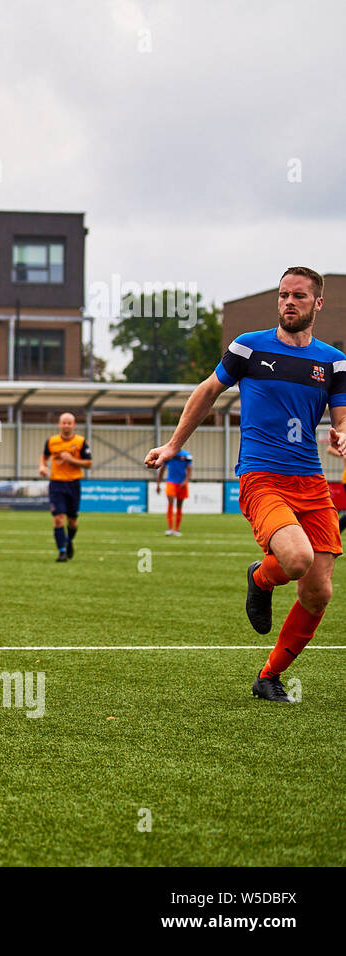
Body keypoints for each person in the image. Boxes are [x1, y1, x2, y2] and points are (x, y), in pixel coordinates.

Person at [145, 267, 346, 703]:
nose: (288, 302)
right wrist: (174, 445)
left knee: (319, 590)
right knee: (295, 559)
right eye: (283, 295)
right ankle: (260, 576)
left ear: (318, 304)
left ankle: (269, 676)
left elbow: (341, 413)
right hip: (262, 476)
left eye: (298, 296)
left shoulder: (332, 361)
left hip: (311, 480)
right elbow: (207, 392)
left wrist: (343, 430)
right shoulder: (248, 347)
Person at [39, 412, 92, 562]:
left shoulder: (81, 442)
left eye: (69, 423)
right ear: (59, 424)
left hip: (73, 483)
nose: (66, 425)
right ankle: (62, 552)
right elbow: (44, 456)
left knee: (72, 521)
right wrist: (42, 466)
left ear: (74, 425)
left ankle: (68, 541)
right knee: (58, 519)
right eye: (64, 422)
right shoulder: (51, 441)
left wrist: (72, 459)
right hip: (56, 483)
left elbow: (89, 463)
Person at [156, 447, 193, 535]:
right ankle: (169, 528)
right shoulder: (169, 455)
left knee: (179, 506)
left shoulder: (186, 455)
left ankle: (176, 529)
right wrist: (158, 484)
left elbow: (189, 469)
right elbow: (162, 469)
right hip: (171, 482)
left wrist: (186, 481)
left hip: (182, 484)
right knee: (170, 503)